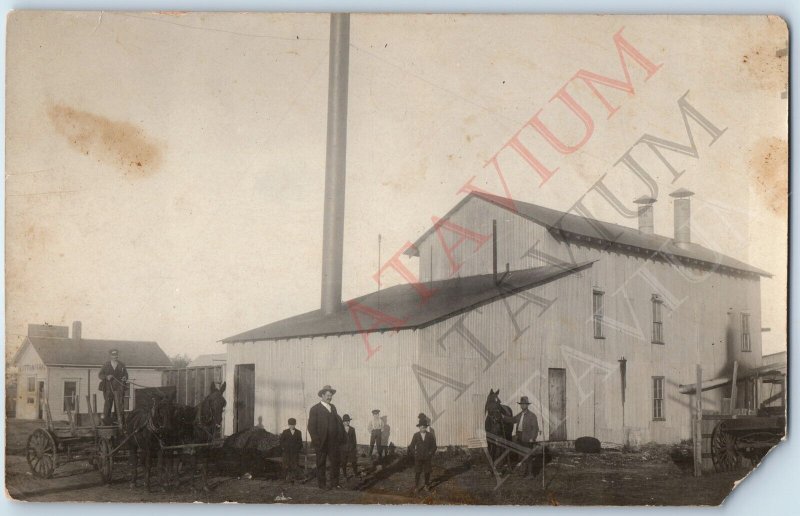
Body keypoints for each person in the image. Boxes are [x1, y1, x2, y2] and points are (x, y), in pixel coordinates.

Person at [307, 385, 345, 489]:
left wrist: (339, 437)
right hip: (321, 442)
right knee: (321, 464)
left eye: (331, 395)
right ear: (322, 395)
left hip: (333, 442)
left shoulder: (333, 407)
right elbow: (311, 427)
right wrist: (316, 441)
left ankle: (335, 483)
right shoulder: (315, 409)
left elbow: (337, 423)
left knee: (335, 463)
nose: (330, 397)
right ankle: (322, 485)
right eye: (328, 395)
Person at [98, 349, 128, 426]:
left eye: (116, 355)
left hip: (119, 389)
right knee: (108, 405)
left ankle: (119, 422)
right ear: (110, 356)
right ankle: (106, 423)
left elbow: (126, 375)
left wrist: (125, 377)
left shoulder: (122, 365)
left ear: (118, 356)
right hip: (108, 389)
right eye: (113, 355)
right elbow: (100, 375)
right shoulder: (106, 364)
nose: (115, 357)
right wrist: (106, 377)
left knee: (119, 405)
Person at [408, 414, 437, 493]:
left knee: (427, 471)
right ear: (419, 427)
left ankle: (426, 485)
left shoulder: (430, 435)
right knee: (418, 472)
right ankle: (416, 486)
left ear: (426, 427)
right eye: (421, 426)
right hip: (418, 457)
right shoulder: (416, 435)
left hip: (427, 457)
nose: (422, 428)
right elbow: (411, 446)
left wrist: (430, 453)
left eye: (424, 427)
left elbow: (434, 446)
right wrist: (415, 454)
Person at [512, 396, 540, 477]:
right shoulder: (519, 415)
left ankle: (530, 474)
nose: (523, 406)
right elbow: (512, 420)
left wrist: (533, 438)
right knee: (521, 456)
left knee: (528, 456)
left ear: (527, 405)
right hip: (519, 437)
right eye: (521, 404)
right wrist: (503, 417)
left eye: (524, 404)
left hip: (527, 438)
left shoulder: (532, 415)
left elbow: (535, 428)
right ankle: (524, 473)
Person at [280, 418, 304, 483]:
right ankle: (284, 478)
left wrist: (297, 449)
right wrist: (284, 448)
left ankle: (294, 478)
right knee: (285, 465)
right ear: (288, 425)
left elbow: (300, 443)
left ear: (295, 424)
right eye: (290, 425)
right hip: (286, 452)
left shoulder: (298, 432)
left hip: (294, 452)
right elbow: (281, 441)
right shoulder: (285, 432)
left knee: (295, 465)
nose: (291, 426)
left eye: (293, 425)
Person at [339, 414, 359, 479]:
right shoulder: (340, 429)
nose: (347, 422)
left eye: (348, 421)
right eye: (345, 421)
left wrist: (354, 448)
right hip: (343, 449)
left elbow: (354, 440)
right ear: (343, 422)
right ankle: (345, 474)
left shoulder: (352, 429)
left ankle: (356, 473)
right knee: (343, 462)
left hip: (351, 449)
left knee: (354, 461)